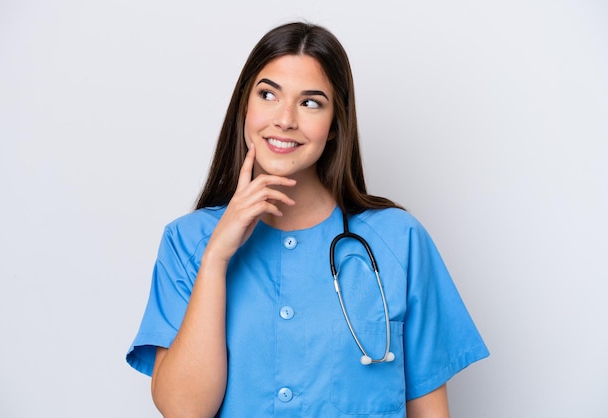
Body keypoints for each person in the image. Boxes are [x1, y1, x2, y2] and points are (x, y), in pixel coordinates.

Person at [126, 21, 489, 417]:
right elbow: (183, 410)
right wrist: (215, 260)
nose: (284, 120)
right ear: (244, 105)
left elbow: (430, 408)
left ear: (335, 124)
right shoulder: (188, 242)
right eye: (268, 95)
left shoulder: (399, 240)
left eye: (310, 102)